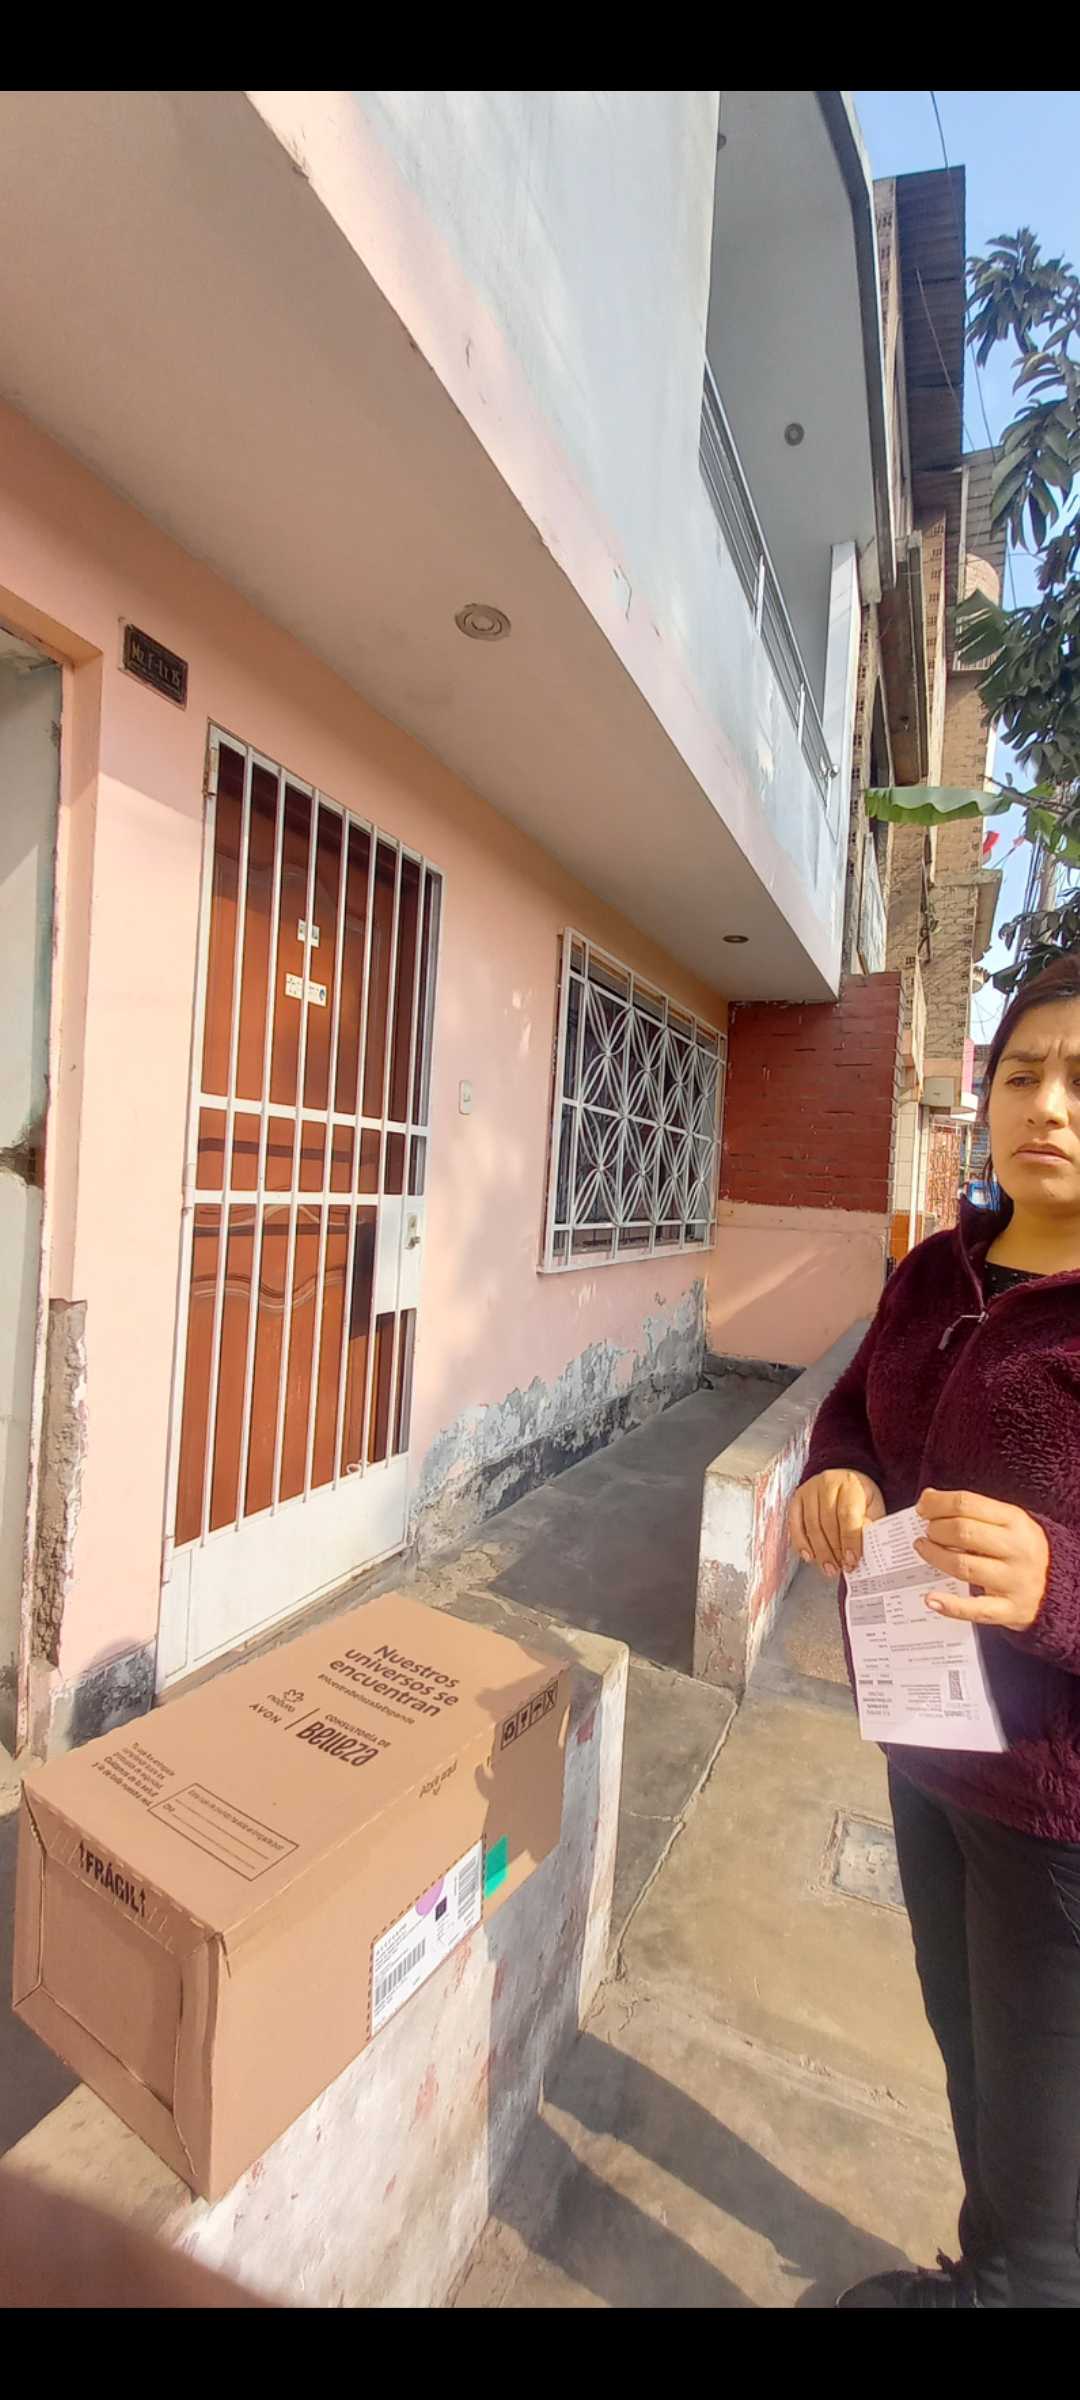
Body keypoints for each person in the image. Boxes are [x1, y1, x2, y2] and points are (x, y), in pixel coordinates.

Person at [789, 951, 1080, 2311]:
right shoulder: (930, 1276)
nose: (1049, 1106)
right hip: (923, 1755)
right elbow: (853, 1413)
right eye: (1024, 1074)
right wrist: (838, 1477)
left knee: (1047, 2185)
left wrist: (1056, 1577)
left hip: (1054, 1814)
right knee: (974, 2070)